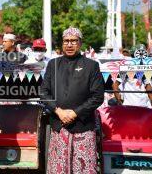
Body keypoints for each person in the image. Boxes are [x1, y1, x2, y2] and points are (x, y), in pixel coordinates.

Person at [40, 26, 104, 173]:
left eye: (73, 41)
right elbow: (43, 93)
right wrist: (59, 111)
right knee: (58, 168)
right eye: (66, 41)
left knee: (83, 168)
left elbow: (97, 96)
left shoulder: (91, 66)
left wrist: (75, 113)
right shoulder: (53, 64)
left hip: (83, 127)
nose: (69, 45)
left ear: (80, 43)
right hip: (59, 126)